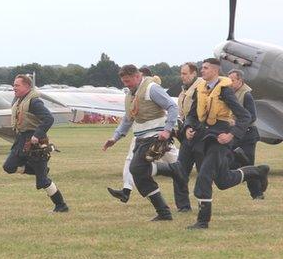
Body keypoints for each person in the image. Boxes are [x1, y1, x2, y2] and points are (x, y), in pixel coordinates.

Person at [180, 58, 268, 229]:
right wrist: (188, 127)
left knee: (204, 176)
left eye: (205, 68)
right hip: (203, 139)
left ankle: (202, 221)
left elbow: (245, 116)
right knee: (223, 181)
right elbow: (191, 114)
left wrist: (231, 135)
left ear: (214, 71)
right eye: (201, 68)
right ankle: (256, 172)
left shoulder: (225, 91)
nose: (202, 70)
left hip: (219, 141)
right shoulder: (200, 89)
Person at [103, 65, 185, 221]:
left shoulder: (151, 88)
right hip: (141, 138)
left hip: (155, 136)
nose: (126, 84)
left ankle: (164, 209)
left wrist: (167, 130)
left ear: (137, 76)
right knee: (139, 172)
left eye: (128, 81)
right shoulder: (130, 94)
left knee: (136, 168)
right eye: (123, 81)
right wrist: (115, 137)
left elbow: (172, 106)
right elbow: (128, 119)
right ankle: (164, 209)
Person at [2, 74, 68, 212]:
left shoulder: (34, 102)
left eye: (17, 85)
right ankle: (39, 171)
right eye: (14, 85)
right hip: (21, 140)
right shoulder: (19, 100)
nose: (14, 87)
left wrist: (37, 135)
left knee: (42, 182)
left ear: (27, 86)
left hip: (35, 143)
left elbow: (48, 119)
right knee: (9, 166)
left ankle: (61, 205)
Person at [170, 62, 206, 212]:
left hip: (202, 137)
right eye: (181, 73)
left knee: (205, 173)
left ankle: (204, 203)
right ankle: (183, 206)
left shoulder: (203, 88)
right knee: (179, 171)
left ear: (194, 74)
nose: (182, 76)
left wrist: (194, 129)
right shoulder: (184, 90)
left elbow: (203, 114)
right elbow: (185, 115)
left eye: (185, 74)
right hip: (186, 136)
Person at [228, 69, 263, 199]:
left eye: (232, 80)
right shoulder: (230, 94)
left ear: (240, 81)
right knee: (231, 164)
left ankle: (257, 194)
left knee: (247, 164)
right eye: (228, 79)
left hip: (248, 135)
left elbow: (252, 117)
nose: (230, 83)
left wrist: (235, 122)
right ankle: (261, 173)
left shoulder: (246, 95)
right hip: (236, 134)